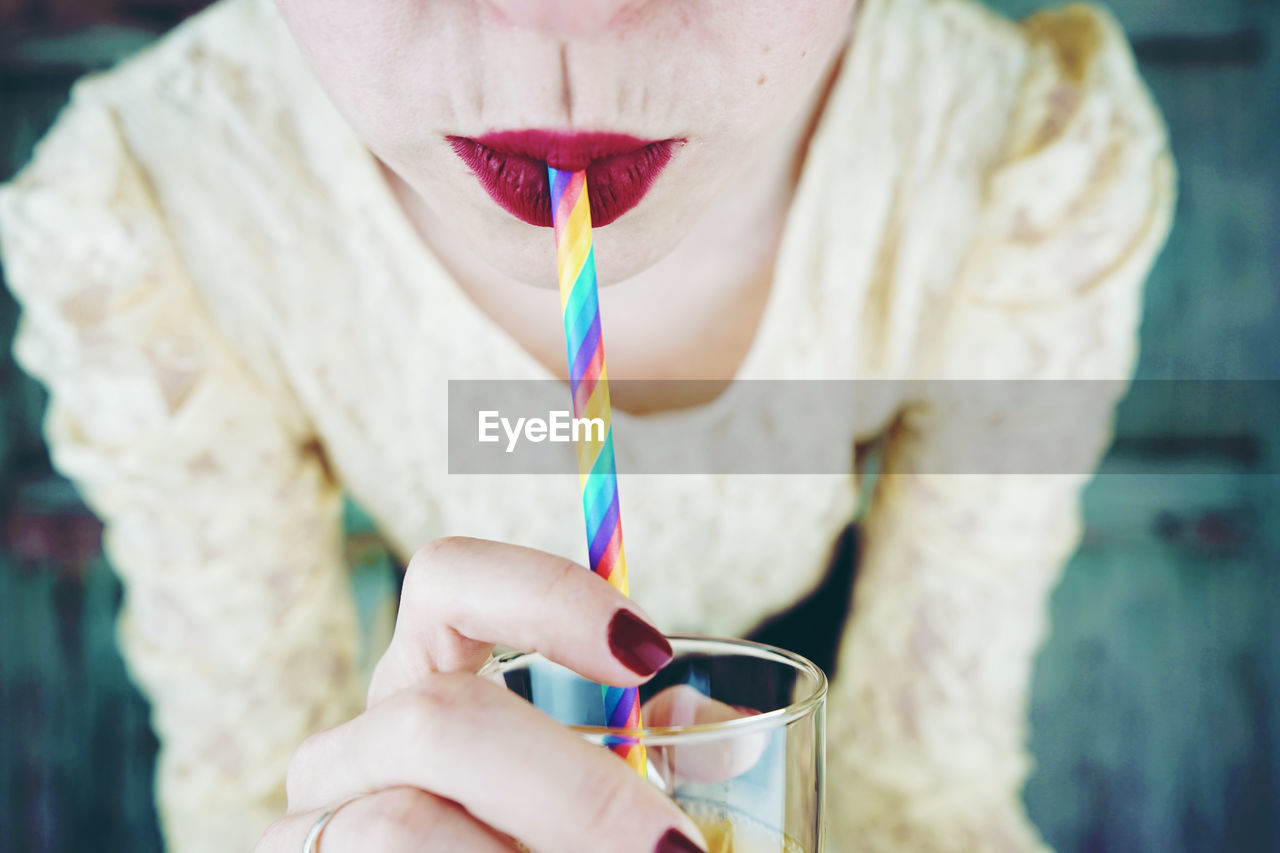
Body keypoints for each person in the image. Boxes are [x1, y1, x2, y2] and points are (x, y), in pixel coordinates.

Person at [0, 0, 1174, 849]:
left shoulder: (1020, 168)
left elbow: (929, 790)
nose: (561, 16)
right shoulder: (162, 210)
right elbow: (253, 783)